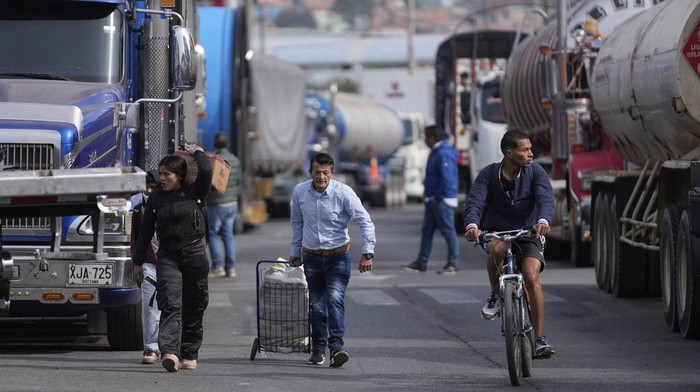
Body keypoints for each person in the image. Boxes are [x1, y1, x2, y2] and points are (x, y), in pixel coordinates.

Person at [463, 129, 555, 358]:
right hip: (498, 232)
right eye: (525, 150)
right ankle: (496, 293)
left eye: (530, 149)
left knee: (531, 275)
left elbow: (545, 198)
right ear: (509, 153)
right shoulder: (488, 175)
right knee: (497, 248)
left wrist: (543, 220)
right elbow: (475, 202)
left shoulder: (535, 172)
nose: (531, 154)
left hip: (528, 232)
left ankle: (540, 340)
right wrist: (472, 226)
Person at [288, 152, 376, 368]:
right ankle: (318, 351)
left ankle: (336, 348)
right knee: (317, 306)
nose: (321, 177)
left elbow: (365, 221)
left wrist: (367, 252)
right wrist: (295, 251)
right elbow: (297, 223)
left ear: (332, 173)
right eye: (317, 172)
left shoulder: (344, 193)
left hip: (338, 257)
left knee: (334, 299)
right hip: (312, 258)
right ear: (310, 172)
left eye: (326, 173)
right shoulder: (300, 192)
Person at [133, 145, 213, 372]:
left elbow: (206, 170)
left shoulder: (195, 191)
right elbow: (146, 230)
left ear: (180, 176)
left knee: (195, 304)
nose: (163, 178)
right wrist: (138, 262)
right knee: (170, 303)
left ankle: (189, 353)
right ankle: (170, 352)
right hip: (168, 256)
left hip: (195, 254)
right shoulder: (156, 196)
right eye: (161, 174)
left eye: (168, 174)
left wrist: (198, 152)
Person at [404, 125, 460, 274]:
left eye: (426, 137)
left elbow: (446, 178)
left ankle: (453, 263)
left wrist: (439, 197)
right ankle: (421, 262)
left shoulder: (444, 153)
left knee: (448, 231)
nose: (425, 140)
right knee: (427, 231)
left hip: (441, 199)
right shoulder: (436, 152)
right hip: (433, 198)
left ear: (432, 138)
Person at [131, 171, 161, 365]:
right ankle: (151, 347)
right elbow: (136, 238)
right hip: (149, 264)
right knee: (149, 307)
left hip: (172, 264)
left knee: (171, 308)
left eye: (153, 186)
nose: (149, 191)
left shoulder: (171, 205)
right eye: (146, 186)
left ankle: (171, 346)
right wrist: (137, 264)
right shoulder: (138, 209)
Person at [206, 132, 242, 278]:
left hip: (216, 203)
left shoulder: (215, 161)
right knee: (228, 235)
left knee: (213, 234)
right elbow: (239, 182)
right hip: (232, 203)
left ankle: (218, 266)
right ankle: (230, 268)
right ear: (228, 144)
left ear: (215, 145)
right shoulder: (236, 160)